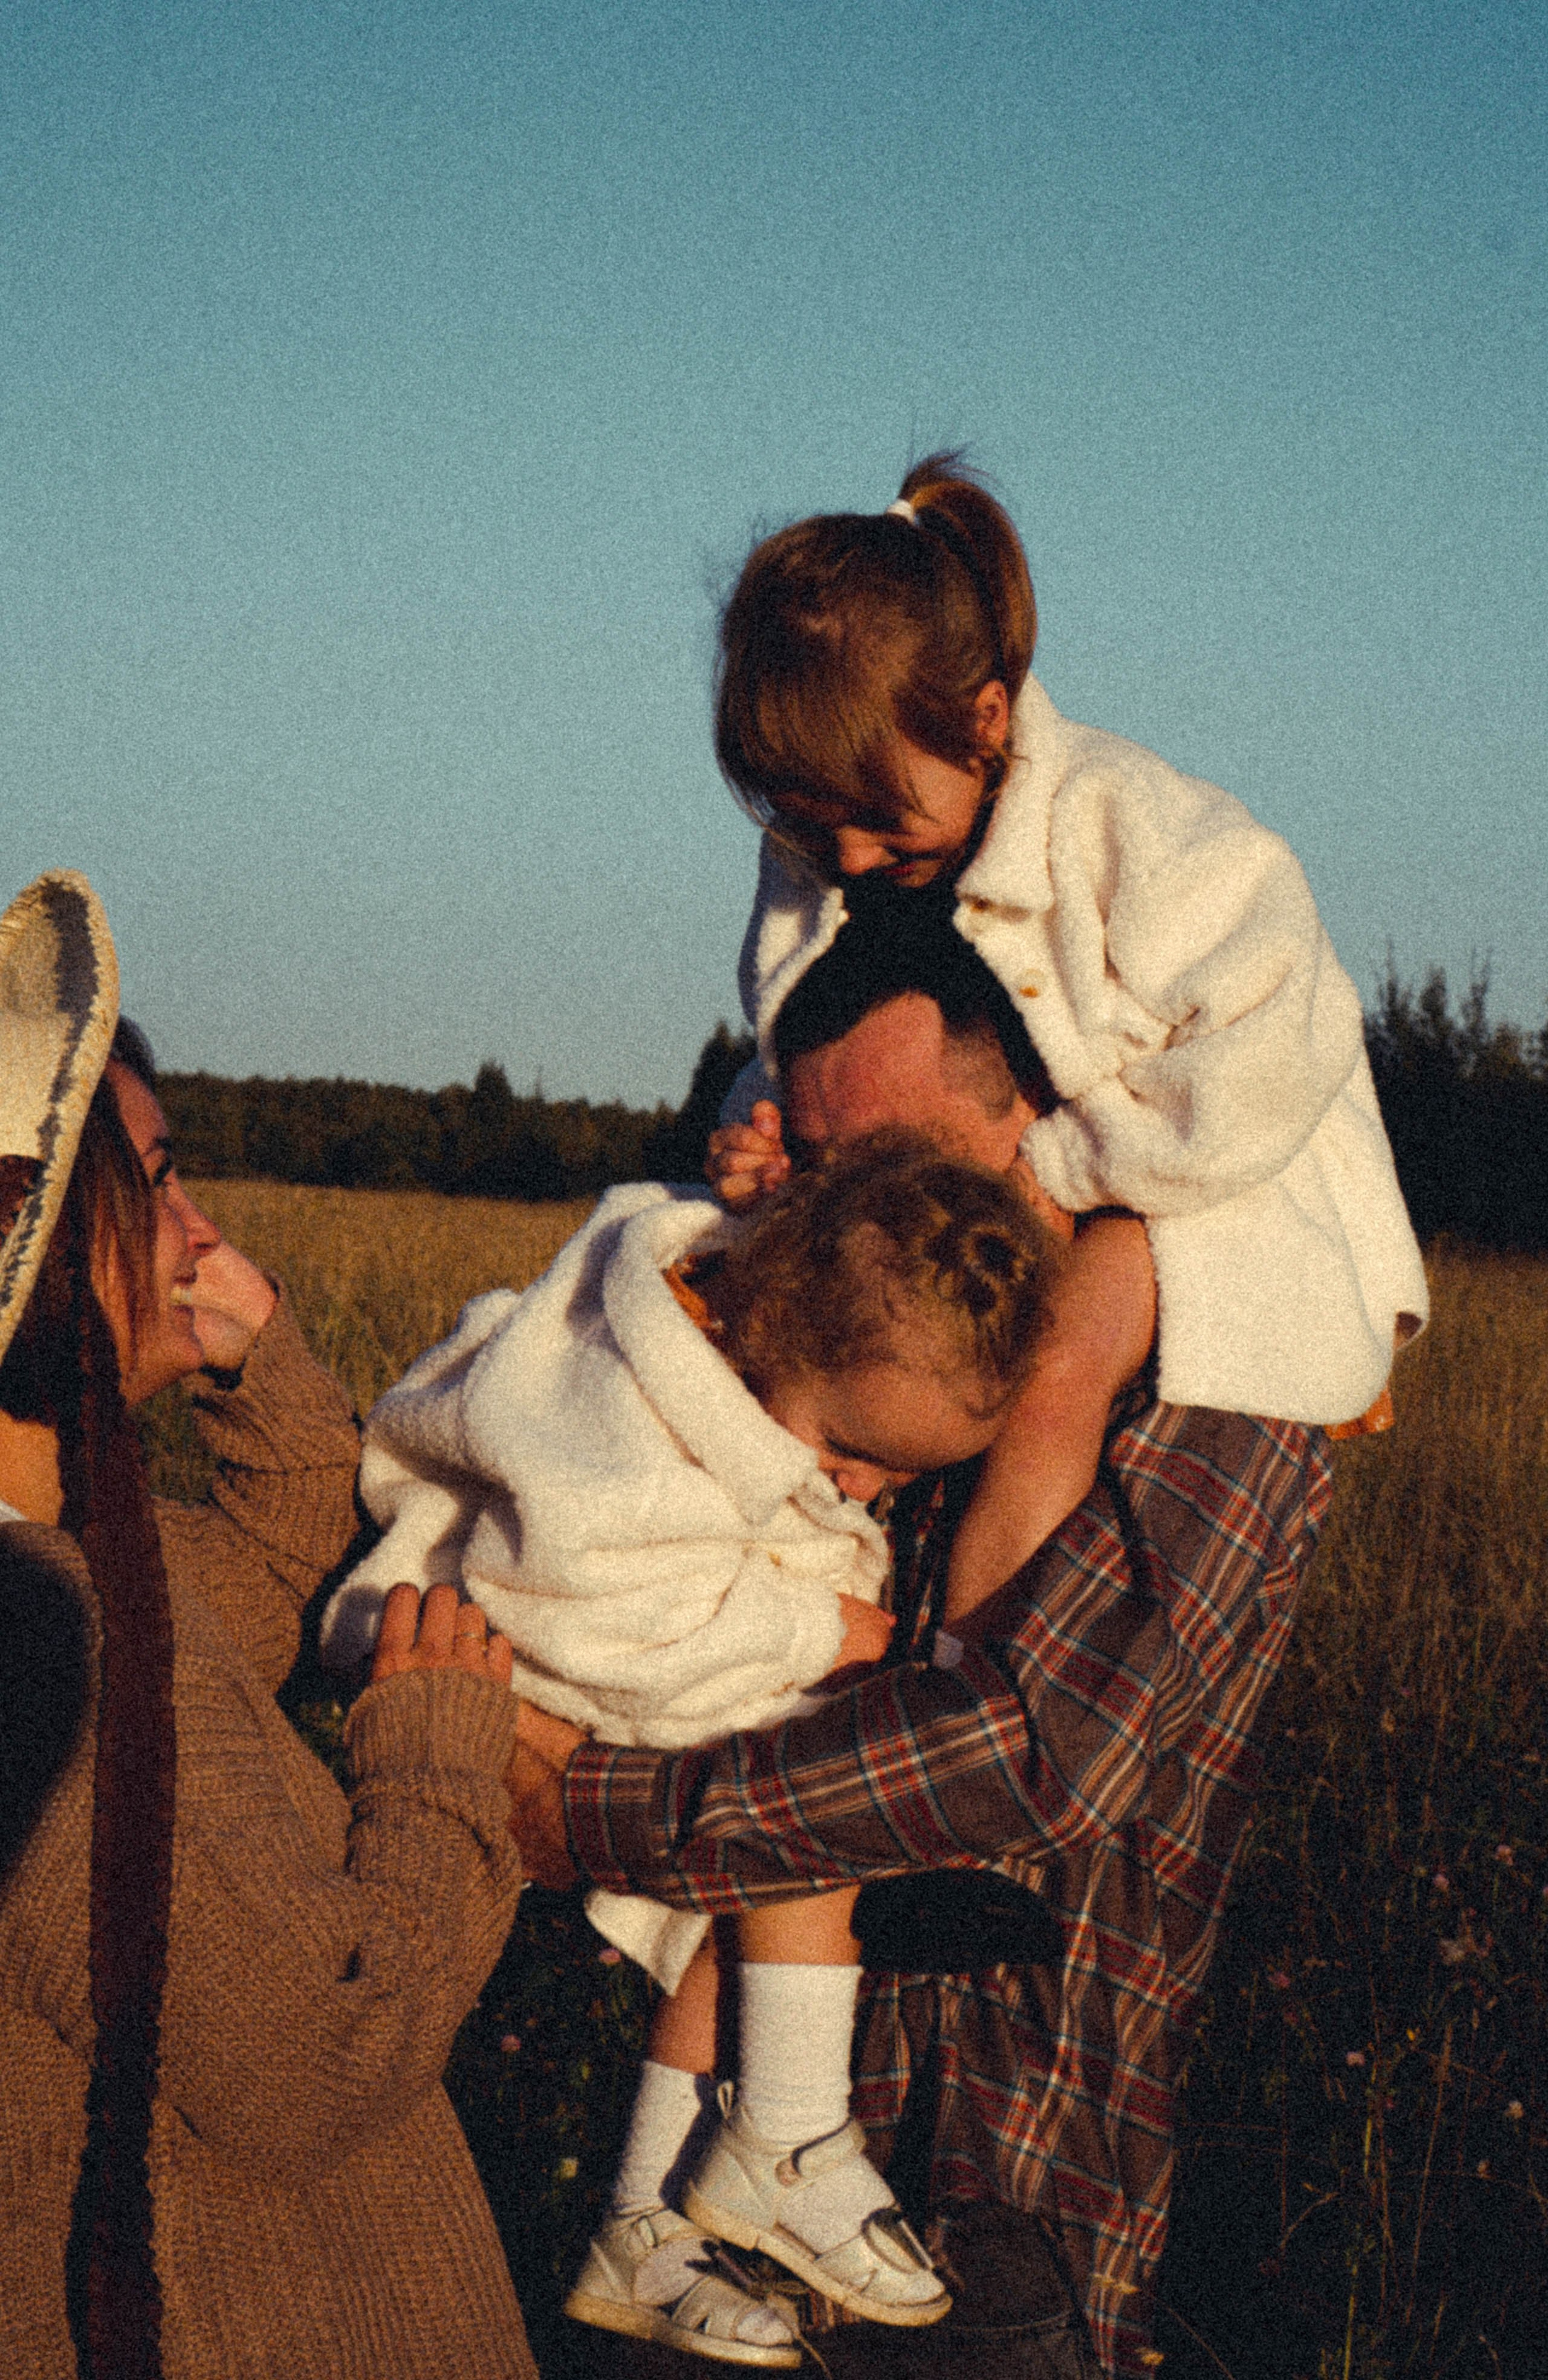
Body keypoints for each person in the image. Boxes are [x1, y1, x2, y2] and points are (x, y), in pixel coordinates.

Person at [503, 953, 1342, 2380]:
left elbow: (1029, 1751)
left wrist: (569, 1808)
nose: (857, 1195)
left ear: (1039, 1102)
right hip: (742, 2132)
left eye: (889, 1152)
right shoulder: (867, 1307)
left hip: (993, 2177)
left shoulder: (1214, 1354)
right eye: (825, 1154)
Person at [321, 1136, 1058, 2363]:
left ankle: (642, 2226)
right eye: (848, 1452)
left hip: (613, 1636)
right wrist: (819, 1625)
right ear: (774, 1333)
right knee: (805, 1805)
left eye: (892, 1476)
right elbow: (588, 1595)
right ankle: (783, 2132)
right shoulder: (625, 1420)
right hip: (502, 1633)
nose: (862, 1491)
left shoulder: (771, 1320)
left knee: (751, 1910)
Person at [706, 452, 1428, 1611]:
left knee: (1055, 1369)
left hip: (1210, 1179)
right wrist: (766, 1130)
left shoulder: (1128, 821)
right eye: (807, 821)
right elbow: (800, 1028)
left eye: (876, 822)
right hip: (1017, 1182)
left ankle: (980, 1662)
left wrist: (1067, 1171)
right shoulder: (835, 837)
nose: (843, 858)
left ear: (987, 722)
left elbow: (1275, 1048)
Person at [0, 871, 537, 2380]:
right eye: (154, 1183)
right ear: (41, 1241)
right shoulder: (35, 1648)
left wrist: (256, 1354)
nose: (197, 1226)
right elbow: (320, 2057)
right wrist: (434, 1772)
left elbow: (274, 1564)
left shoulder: (80, 1561)